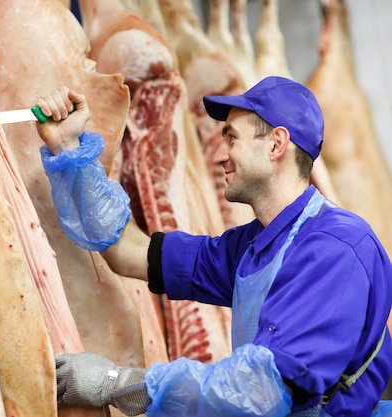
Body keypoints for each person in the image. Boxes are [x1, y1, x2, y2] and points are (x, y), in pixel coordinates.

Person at [34, 76, 392, 417]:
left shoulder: (334, 249)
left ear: (276, 144)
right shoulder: (252, 247)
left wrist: (117, 384)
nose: (220, 155)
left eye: (231, 138)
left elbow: (260, 390)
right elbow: (130, 252)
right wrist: (68, 149)